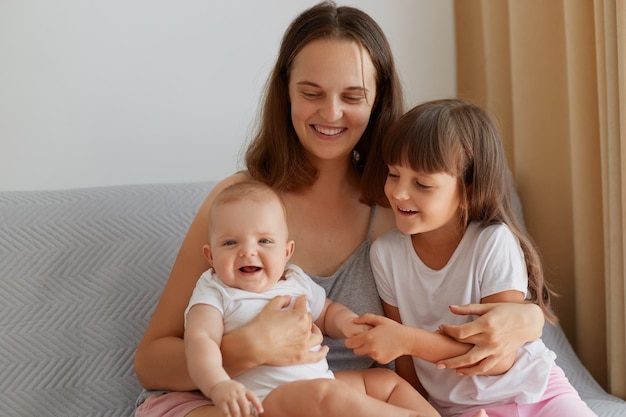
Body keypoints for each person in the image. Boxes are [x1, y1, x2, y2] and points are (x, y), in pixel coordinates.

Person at [134, 3, 545, 416]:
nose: (331, 113)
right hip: (222, 400)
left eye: (352, 96)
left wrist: (530, 321)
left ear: (378, 100)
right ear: (285, 91)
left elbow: (480, 272)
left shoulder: (398, 209)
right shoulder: (239, 204)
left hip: (341, 396)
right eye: (311, 93)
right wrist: (248, 347)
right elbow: (150, 363)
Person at [346, 99, 597, 417]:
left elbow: (498, 356)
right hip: (459, 409)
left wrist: (407, 340)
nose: (398, 193)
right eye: (394, 174)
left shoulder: (493, 243)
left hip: (535, 394)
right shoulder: (386, 255)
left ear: (468, 189)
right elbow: (408, 369)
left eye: (422, 183)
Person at [185, 180, 439, 417]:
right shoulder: (215, 290)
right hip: (266, 401)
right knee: (326, 394)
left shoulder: (294, 280)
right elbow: (200, 341)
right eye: (230, 243)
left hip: (323, 383)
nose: (248, 251)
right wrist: (218, 385)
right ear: (210, 256)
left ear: (287, 251)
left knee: (386, 382)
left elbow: (327, 312)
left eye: (264, 240)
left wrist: (347, 323)